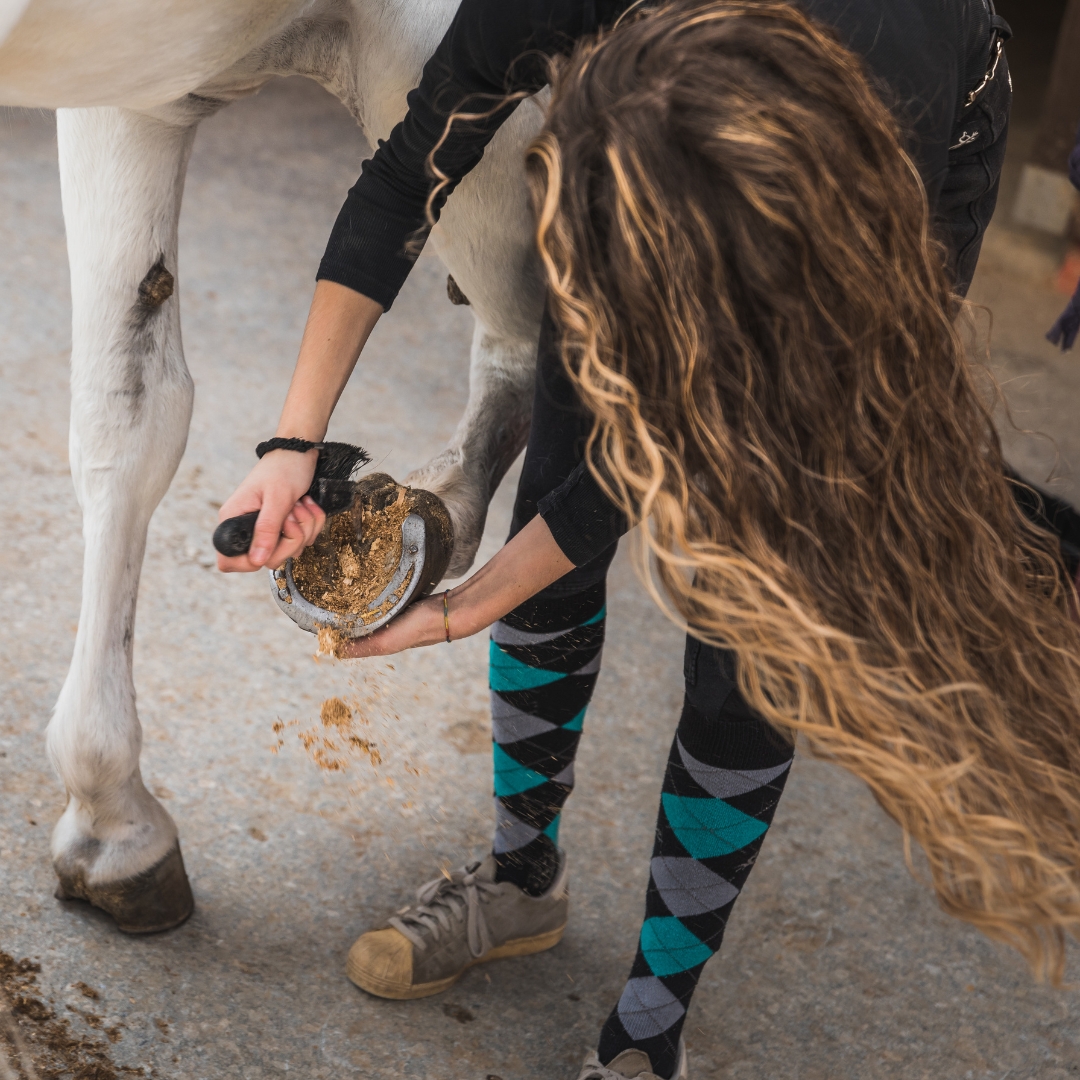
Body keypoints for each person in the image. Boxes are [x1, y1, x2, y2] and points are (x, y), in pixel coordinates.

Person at [214, 3, 1080, 1078]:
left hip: (881, 159)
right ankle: (522, 879)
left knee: (757, 594)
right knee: (572, 432)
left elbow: (704, 430)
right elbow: (409, 168)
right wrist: (293, 442)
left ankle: (650, 1021)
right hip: (669, 121)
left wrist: (468, 601)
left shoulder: (883, 66)